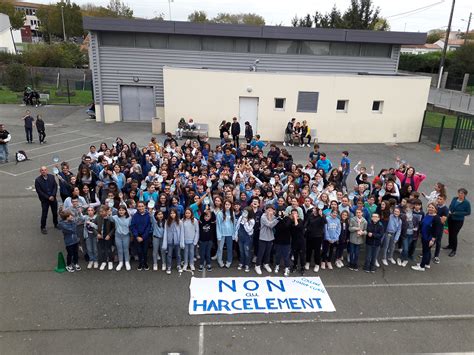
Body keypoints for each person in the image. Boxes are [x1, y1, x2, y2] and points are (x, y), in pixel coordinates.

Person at [412, 203, 443, 271]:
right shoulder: (427, 214)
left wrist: (432, 240)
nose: (430, 209)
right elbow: (423, 224)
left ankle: (421, 266)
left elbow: (437, 230)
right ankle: (427, 264)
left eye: (432, 207)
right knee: (427, 251)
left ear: (435, 209)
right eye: (429, 207)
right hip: (424, 236)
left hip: (429, 238)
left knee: (426, 251)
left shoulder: (436, 218)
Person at [445, 188, 471, 257]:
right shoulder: (454, 198)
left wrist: (457, 213)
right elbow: (451, 205)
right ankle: (450, 245)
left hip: (458, 221)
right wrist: (450, 210)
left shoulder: (466, 203)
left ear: (465, 195)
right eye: (459, 192)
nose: (460, 194)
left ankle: (454, 250)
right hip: (451, 218)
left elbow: (468, 212)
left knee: (454, 235)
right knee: (450, 232)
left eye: (462, 193)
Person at [255, 204, 279, 275]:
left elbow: (274, 220)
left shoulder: (273, 216)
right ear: (265, 210)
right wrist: (277, 219)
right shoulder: (263, 217)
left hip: (270, 237)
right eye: (268, 210)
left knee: (268, 252)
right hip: (263, 237)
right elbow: (270, 225)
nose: (270, 211)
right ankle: (257, 265)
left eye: (271, 210)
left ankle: (266, 264)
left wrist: (276, 218)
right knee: (261, 252)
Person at [35, 166, 59, 234]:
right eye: (42, 170)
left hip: (53, 198)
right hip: (45, 200)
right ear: (40, 172)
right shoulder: (37, 180)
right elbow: (39, 191)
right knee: (44, 214)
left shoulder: (51, 177)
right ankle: (43, 227)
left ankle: (56, 224)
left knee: (55, 213)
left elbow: (55, 186)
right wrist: (48, 197)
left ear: (47, 170)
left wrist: (53, 195)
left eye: (45, 170)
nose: (44, 171)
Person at [130, 201, 152, 271]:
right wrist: (137, 236)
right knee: (139, 251)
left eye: (142, 206)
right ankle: (140, 263)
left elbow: (149, 226)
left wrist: (143, 237)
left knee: (145, 251)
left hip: (145, 236)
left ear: (145, 206)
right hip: (137, 236)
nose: (141, 208)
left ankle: (145, 263)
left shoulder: (148, 215)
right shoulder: (135, 216)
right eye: (139, 206)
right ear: (137, 207)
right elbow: (133, 226)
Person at [109, 205, 132, 271]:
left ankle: (127, 262)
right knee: (119, 249)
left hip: (126, 236)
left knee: (126, 249)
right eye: (120, 210)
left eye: (123, 210)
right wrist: (110, 213)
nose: (121, 211)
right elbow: (110, 218)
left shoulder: (129, 218)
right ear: (118, 211)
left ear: (125, 211)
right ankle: (121, 262)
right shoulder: (115, 217)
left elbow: (130, 226)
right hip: (118, 236)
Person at [162, 208, 184, 274]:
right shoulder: (167, 222)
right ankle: (169, 266)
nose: (172, 214)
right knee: (169, 255)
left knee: (178, 254)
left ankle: (178, 265)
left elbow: (182, 232)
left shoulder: (180, 222)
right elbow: (165, 232)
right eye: (171, 213)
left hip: (177, 241)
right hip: (170, 241)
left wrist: (181, 241)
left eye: (174, 213)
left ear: (176, 214)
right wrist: (165, 242)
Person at [216, 200, 236, 268]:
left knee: (230, 248)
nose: (227, 206)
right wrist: (219, 235)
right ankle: (220, 261)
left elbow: (234, 224)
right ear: (224, 205)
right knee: (220, 248)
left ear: (231, 206)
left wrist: (233, 234)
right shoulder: (220, 213)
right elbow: (218, 225)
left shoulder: (232, 213)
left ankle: (229, 261)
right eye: (226, 204)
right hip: (222, 234)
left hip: (230, 234)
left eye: (229, 205)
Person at [235, 207, 255, 272]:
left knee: (247, 252)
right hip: (240, 237)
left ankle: (247, 264)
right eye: (244, 212)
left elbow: (248, 230)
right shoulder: (241, 217)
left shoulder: (252, 220)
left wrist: (246, 222)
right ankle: (241, 263)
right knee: (241, 251)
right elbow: (237, 226)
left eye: (246, 212)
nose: (244, 213)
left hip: (247, 238)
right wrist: (236, 235)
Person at [96, 205, 116, 271]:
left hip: (108, 237)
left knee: (109, 249)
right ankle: (104, 261)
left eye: (103, 211)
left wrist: (109, 235)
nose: (101, 213)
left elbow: (114, 227)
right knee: (102, 250)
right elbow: (93, 226)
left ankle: (110, 261)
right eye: (100, 212)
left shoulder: (110, 218)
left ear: (107, 211)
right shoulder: (98, 217)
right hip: (100, 236)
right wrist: (97, 234)